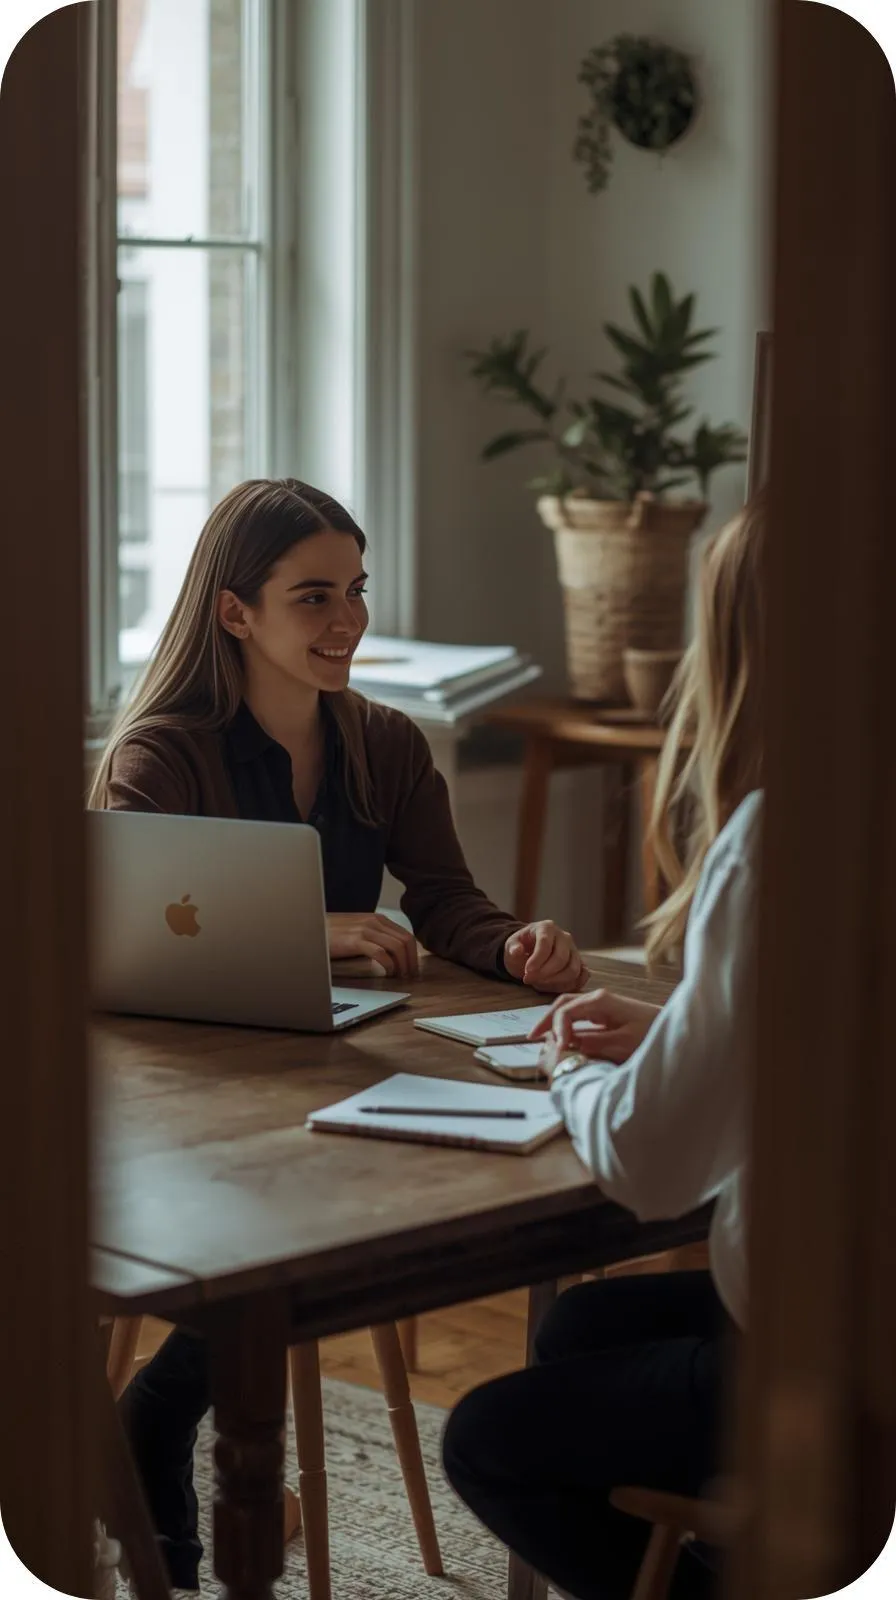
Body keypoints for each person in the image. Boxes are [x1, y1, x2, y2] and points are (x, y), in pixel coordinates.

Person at [91, 476, 587, 1588]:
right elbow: (131, 953)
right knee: (297, 1230)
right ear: (235, 612)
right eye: (312, 597)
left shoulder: (385, 744)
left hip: (327, 1069)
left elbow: (448, 901)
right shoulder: (161, 757)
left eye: (353, 590)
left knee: (424, 1200)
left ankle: (154, 1416)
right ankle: (160, 1425)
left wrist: (514, 947)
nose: (347, 621)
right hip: (191, 1097)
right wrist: (316, 932)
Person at [442, 497, 765, 1600]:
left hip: (815, 1361)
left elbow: (645, 1167)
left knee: (486, 1440)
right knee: (582, 1319)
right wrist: (678, 1035)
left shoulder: (779, 835)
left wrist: (571, 1069)